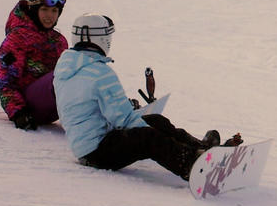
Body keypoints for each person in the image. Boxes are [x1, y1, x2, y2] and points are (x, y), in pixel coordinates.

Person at [53, 13, 242, 181]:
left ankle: (199, 148)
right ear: (101, 38)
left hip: (84, 146)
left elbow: (84, 108)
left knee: (154, 119)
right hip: (98, 151)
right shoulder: (101, 73)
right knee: (148, 137)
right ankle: (195, 165)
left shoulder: (66, 69)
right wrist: (155, 134)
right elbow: (124, 119)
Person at [0, 0, 68, 130]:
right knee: (63, 75)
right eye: (44, 10)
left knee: (83, 67)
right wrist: (18, 113)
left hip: (53, 109)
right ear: (34, 9)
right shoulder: (17, 38)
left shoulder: (59, 41)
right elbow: (6, 83)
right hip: (28, 107)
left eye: (54, 10)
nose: (49, 16)